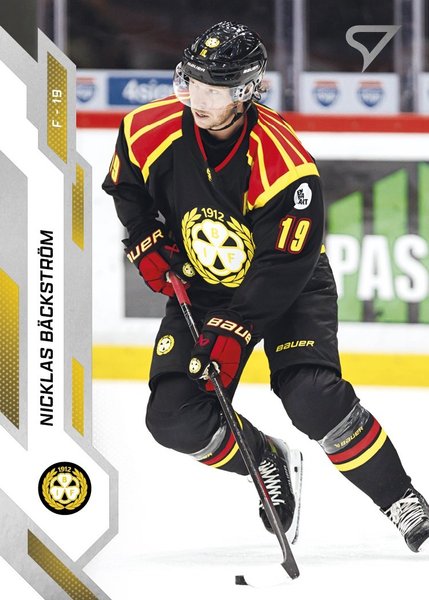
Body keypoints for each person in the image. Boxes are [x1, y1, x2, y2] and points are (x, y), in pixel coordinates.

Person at [103, 21, 429, 551]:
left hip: (289, 285)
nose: (198, 100)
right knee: (173, 419)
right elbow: (127, 187)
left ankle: (401, 499)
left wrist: (235, 328)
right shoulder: (147, 127)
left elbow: (286, 261)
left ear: (245, 91)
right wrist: (144, 239)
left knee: (312, 397)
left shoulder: (283, 160)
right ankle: (266, 459)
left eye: (214, 90)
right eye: (193, 83)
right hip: (204, 284)